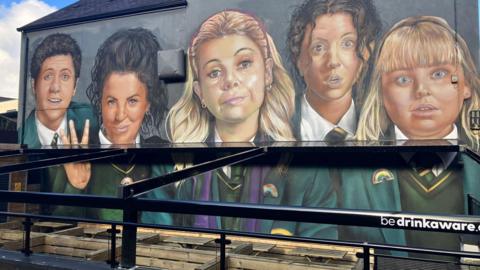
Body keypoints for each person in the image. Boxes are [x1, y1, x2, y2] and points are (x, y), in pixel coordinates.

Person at [341, 16, 480, 255]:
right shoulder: (348, 176)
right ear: (381, 93)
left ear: (466, 84)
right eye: (403, 79)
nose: (421, 90)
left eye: (438, 74)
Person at [168, 10, 304, 233]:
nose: (230, 81)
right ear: (200, 91)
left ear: (267, 73)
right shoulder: (182, 172)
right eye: (214, 72)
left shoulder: (305, 171)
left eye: (244, 63)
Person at [58, 28, 172, 223]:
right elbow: (55, 225)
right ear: (99, 101)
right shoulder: (75, 149)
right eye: (111, 101)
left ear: (148, 104)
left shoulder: (159, 155)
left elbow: (166, 224)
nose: (120, 115)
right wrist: (76, 187)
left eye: (132, 101)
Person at [19, 33, 99, 210]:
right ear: (34, 85)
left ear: (75, 86)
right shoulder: (20, 142)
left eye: (65, 77)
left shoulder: (93, 119)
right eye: (47, 76)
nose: (55, 88)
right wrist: (76, 186)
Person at [287, 0, 381, 141]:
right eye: (318, 47)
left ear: (366, 53)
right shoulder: (276, 125)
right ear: (299, 60)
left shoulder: (384, 128)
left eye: (347, 44)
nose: (333, 61)